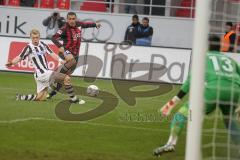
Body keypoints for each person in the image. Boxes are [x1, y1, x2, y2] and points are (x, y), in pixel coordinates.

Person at [153, 36, 240, 157]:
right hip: (234, 91)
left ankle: (170, 144)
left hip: (213, 90)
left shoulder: (202, 59)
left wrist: (170, 104)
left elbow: (189, 83)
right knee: (229, 120)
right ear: (220, 46)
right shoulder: (230, 60)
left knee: (181, 114)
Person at [5, 29, 84, 104]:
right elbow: (19, 57)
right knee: (66, 78)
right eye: (33, 38)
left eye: (37, 37)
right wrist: (12, 63)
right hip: (42, 74)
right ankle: (74, 99)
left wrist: (60, 60)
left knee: (41, 98)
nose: (35, 39)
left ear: (39, 37)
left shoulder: (43, 44)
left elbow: (52, 54)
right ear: (30, 38)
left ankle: (21, 97)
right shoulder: (28, 47)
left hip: (41, 75)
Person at [47, 12, 101, 99]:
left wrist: (95, 24)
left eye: (73, 19)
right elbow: (53, 37)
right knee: (70, 63)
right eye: (70, 19)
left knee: (65, 78)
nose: (72, 21)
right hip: (65, 53)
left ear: (75, 19)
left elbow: (86, 25)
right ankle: (55, 74)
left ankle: (52, 92)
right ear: (67, 19)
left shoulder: (79, 24)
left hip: (75, 56)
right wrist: (60, 46)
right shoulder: (64, 28)